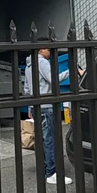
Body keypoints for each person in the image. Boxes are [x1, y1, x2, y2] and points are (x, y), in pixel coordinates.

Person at [23, 48, 72, 185]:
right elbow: (53, 80)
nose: (50, 52)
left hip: (36, 106)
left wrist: (30, 106)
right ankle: (52, 173)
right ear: (41, 49)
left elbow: (27, 88)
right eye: (48, 50)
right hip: (47, 106)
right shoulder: (42, 62)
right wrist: (71, 71)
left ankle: (45, 169)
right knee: (50, 139)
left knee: (42, 139)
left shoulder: (29, 64)